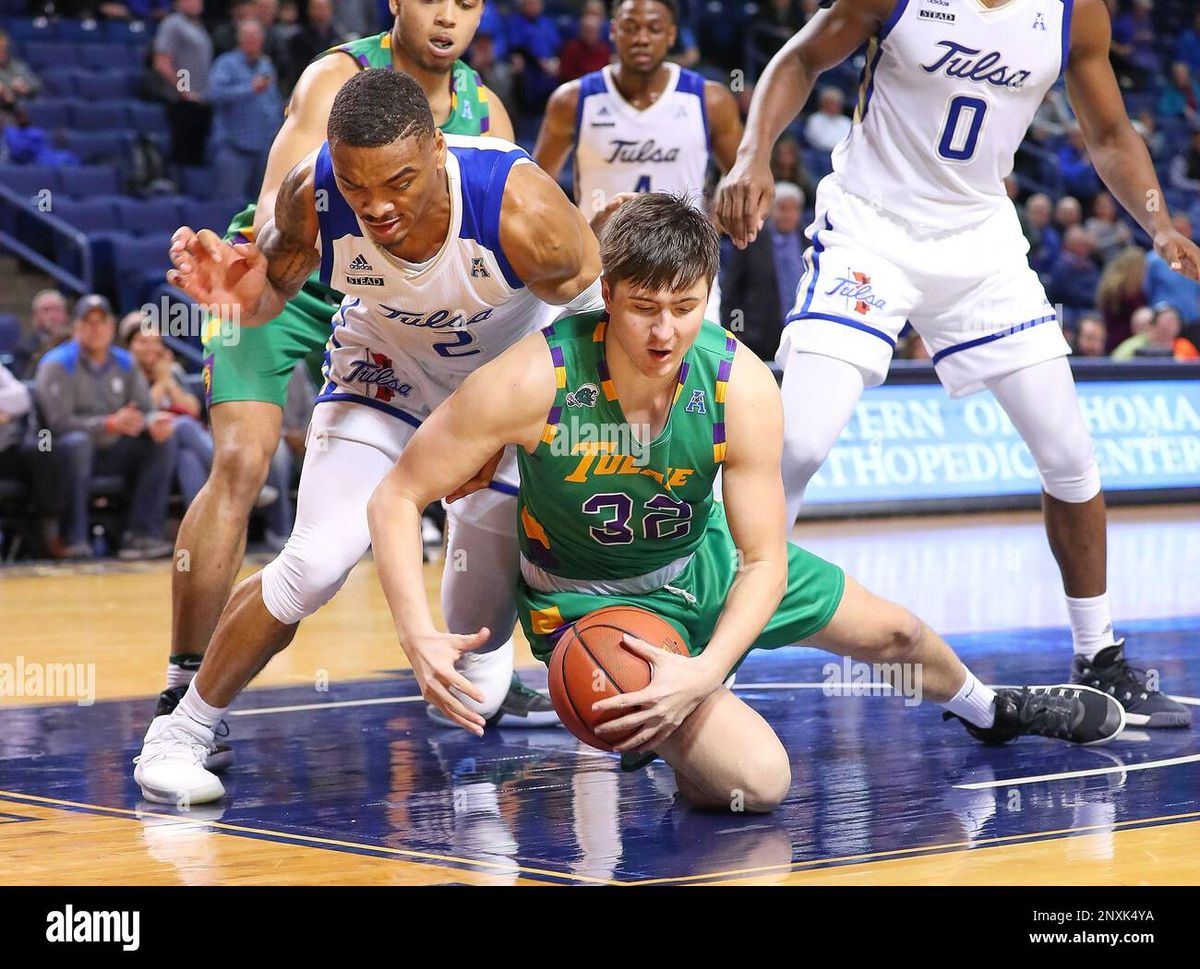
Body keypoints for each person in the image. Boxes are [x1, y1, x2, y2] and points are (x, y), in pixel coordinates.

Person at [362, 194, 1124, 814]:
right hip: (591, 606)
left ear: (709, 296)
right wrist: (415, 632)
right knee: (757, 784)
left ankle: (990, 710)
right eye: (642, 307)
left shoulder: (740, 382)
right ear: (607, 296)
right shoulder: (533, 379)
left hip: (706, 561)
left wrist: (709, 669)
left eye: (685, 307)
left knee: (896, 635)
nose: (664, 330)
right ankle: (671, 744)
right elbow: (398, 495)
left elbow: (761, 558)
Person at [715, 0, 1200, 728]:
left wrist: (1159, 220)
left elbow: (1108, 133)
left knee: (1069, 452)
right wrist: (753, 153)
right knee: (799, 444)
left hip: (979, 246)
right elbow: (801, 58)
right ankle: (712, 655)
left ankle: (1099, 656)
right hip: (870, 232)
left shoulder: (1074, 13)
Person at [133, 68, 603, 803]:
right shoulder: (311, 191)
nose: (377, 205)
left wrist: (508, 433)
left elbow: (592, 327)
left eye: (399, 182)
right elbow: (270, 298)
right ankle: (181, 729)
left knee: (476, 688)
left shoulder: (519, 203)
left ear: (438, 147)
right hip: (382, 377)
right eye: (358, 187)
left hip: (501, 389)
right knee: (315, 562)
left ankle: (492, 657)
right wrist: (232, 293)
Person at [533, 0, 743, 222]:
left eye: (654, 29)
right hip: (599, 252)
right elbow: (537, 186)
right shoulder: (572, 100)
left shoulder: (710, 99)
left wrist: (715, 222)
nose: (641, 39)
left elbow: (742, 175)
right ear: (613, 30)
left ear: (671, 35)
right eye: (630, 28)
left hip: (684, 252)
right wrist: (575, 235)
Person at [35, 296, 177, 562]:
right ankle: (74, 538)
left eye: (101, 322)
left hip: (111, 450)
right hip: (59, 452)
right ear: (76, 327)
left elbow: (145, 409)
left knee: (163, 441)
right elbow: (58, 423)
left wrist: (151, 422)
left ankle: (141, 535)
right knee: (78, 443)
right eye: (88, 323)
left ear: (111, 327)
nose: (96, 329)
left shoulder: (125, 362)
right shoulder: (56, 364)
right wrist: (108, 423)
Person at [120, 312, 216, 508]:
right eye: (142, 342)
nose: (151, 348)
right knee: (183, 426)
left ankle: (200, 531)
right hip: (143, 443)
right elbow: (142, 412)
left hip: (176, 446)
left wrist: (168, 380)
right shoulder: (123, 372)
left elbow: (193, 409)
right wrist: (162, 382)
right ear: (128, 346)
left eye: (155, 342)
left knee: (188, 459)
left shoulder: (172, 370)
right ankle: (232, 474)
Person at [719, 181, 806, 360]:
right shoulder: (751, 242)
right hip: (758, 341)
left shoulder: (809, 242)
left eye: (794, 209)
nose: (788, 215)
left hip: (802, 338)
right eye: (783, 208)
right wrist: (737, 332)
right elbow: (733, 295)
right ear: (771, 210)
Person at [208, 19, 285, 203]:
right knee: (229, 208)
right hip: (234, 148)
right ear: (239, 39)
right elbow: (214, 94)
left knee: (261, 207)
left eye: (256, 37)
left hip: (263, 148)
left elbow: (271, 102)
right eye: (248, 36)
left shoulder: (266, 64)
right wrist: (249, 89)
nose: (252, 41)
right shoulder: (226, 63)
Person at [153, 0, 214, 166]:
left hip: (200, 100)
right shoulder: (173, 24)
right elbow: (162, 61)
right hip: (183, 102)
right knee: (182, 158)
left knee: (196, 157)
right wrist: (184, 91)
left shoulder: (198, 26)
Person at [12, 289, 71, 380]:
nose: (53, 316)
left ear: (66, 315)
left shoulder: (79, 345)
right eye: (46, 310)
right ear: (35, 317)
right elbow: (23, 383)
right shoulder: (24, 349)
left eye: (57, 309)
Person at [1112, 303, 1199, 361]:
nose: (1171, 326)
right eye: (1167, 321)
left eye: (1175, 321)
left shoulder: (1184, 346)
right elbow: (1116, 364)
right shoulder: (1134, 345)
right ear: (1152, 325)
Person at [802, 86, 850, 153]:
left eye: (837, 104)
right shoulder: (815, 119)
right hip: (820, 153)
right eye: (831, 103)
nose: (834, 106)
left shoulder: (846, 122)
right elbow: (816, 140)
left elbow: (850, 141)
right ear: (823, 103)